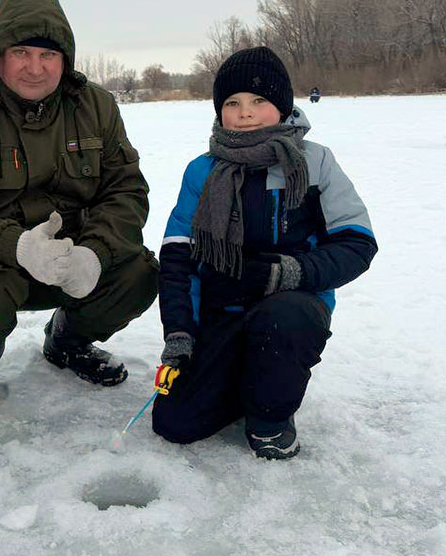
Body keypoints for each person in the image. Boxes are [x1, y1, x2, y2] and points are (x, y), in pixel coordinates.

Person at [0, 0, 158, 406]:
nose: (35, 68)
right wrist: (18, 246)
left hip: (70, 256)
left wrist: (93, 253)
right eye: (22, 52)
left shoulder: (96, 106)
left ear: (65, 59)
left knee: (138, 273)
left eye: (48, 55)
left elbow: (126, 190)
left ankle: (70, 340)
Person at [152, 46, 376, 458]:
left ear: (283, 105)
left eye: (259, 101)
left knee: (284, 319)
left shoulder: (315, 163)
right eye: (233, 103)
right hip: (223, 313)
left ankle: (271, 415)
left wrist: (292, 273)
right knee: (174, 423)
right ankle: (242, 380)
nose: (246, 112)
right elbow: (178, 257)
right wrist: (180, 332)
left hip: (289, 308)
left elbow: (357, 244)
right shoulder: (202, 170)